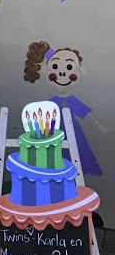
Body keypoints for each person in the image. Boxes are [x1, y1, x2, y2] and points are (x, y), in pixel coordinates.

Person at [24, 41, 104, 175]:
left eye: (69, 67)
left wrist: (104, 129)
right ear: (45, 71)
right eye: (55, 66)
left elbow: (88, 116)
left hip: (74, 135)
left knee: (75, 163)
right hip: (53, 138)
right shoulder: (49, 104)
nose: (61, 73)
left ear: (81, 71)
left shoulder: (72, 101)